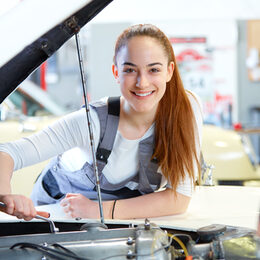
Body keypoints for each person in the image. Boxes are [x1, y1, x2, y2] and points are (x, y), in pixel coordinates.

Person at [0, 24, 203, 221]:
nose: (142, 82)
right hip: (55, 216)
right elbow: (8, 153)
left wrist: (98, 210)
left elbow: (179, 198)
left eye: (154, 70)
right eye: (130, 70)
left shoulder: (186, 108)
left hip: (109, 219)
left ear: (169, 71)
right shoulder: (91, 122)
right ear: (116, 73)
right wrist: (5, 196)